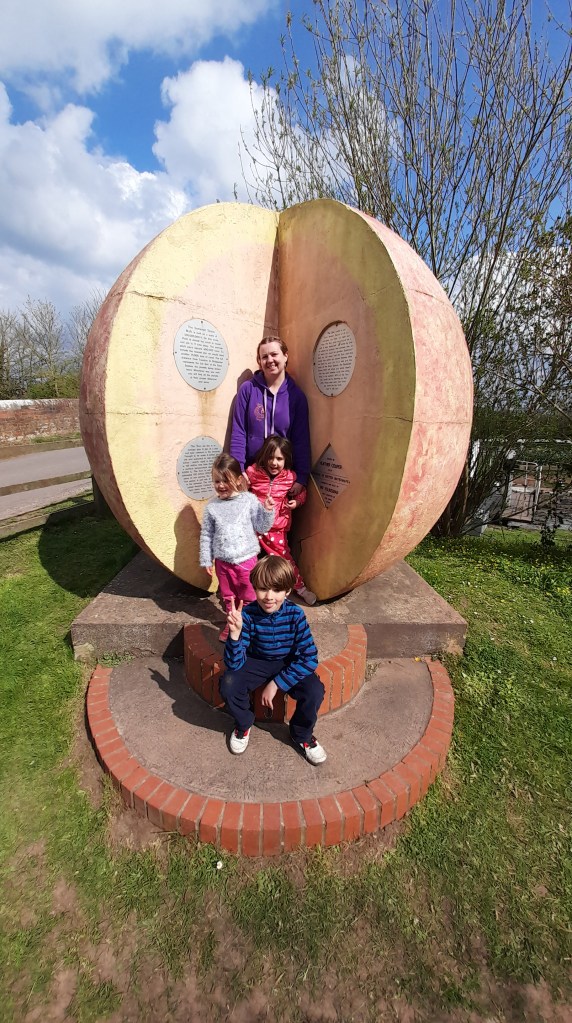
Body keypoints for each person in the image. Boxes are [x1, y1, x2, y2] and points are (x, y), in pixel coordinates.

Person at [219, 555, 327, 764]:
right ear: (254, 588)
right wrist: (235, 634)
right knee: (229, 683)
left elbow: (309, 657)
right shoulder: (248, 615)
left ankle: (302, 735)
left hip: (288, 662)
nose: (269, 596)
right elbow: (234, 664)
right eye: (263, 589)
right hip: (256, 661)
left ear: (287, 591)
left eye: (277, 590)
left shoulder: (295, 615)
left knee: (314, 691)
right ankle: (243, 724)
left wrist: (277, 683)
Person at [199, 453, 275, 641]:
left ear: (239, 479)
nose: (221, 485)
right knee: (228, 597)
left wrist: (267, 510)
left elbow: (262, 526)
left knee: (249, 595)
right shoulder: (212, 507)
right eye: (217, 481)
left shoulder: (249, 500)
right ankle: (232, 624)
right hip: (223, 564)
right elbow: (207, 534)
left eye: (226, 480)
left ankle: (248, 625)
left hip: (246, 561)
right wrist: (206, 558)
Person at [230, 335, 311, 498]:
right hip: (251, 477)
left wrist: (301, 477)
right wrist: (238, 470)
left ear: (285, 356)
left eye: (274, 354)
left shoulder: (296, 396)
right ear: (259, 361)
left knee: (279, 522)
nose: (270, 360)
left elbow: (301, 439)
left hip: (282, 479)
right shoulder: (248, 390)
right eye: (264, 356)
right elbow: (238, 432)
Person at [246, 434, 317, 605]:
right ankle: (247, 594)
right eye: (270, 457)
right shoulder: (253, 472)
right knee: (247, 561)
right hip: (253, 527)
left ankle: (300, 589)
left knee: (284, 560)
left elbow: (302, 493)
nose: (274, 462)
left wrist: (296, 502)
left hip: (276, 528)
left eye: (279, 458)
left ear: (286, 459)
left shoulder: (290, 478)